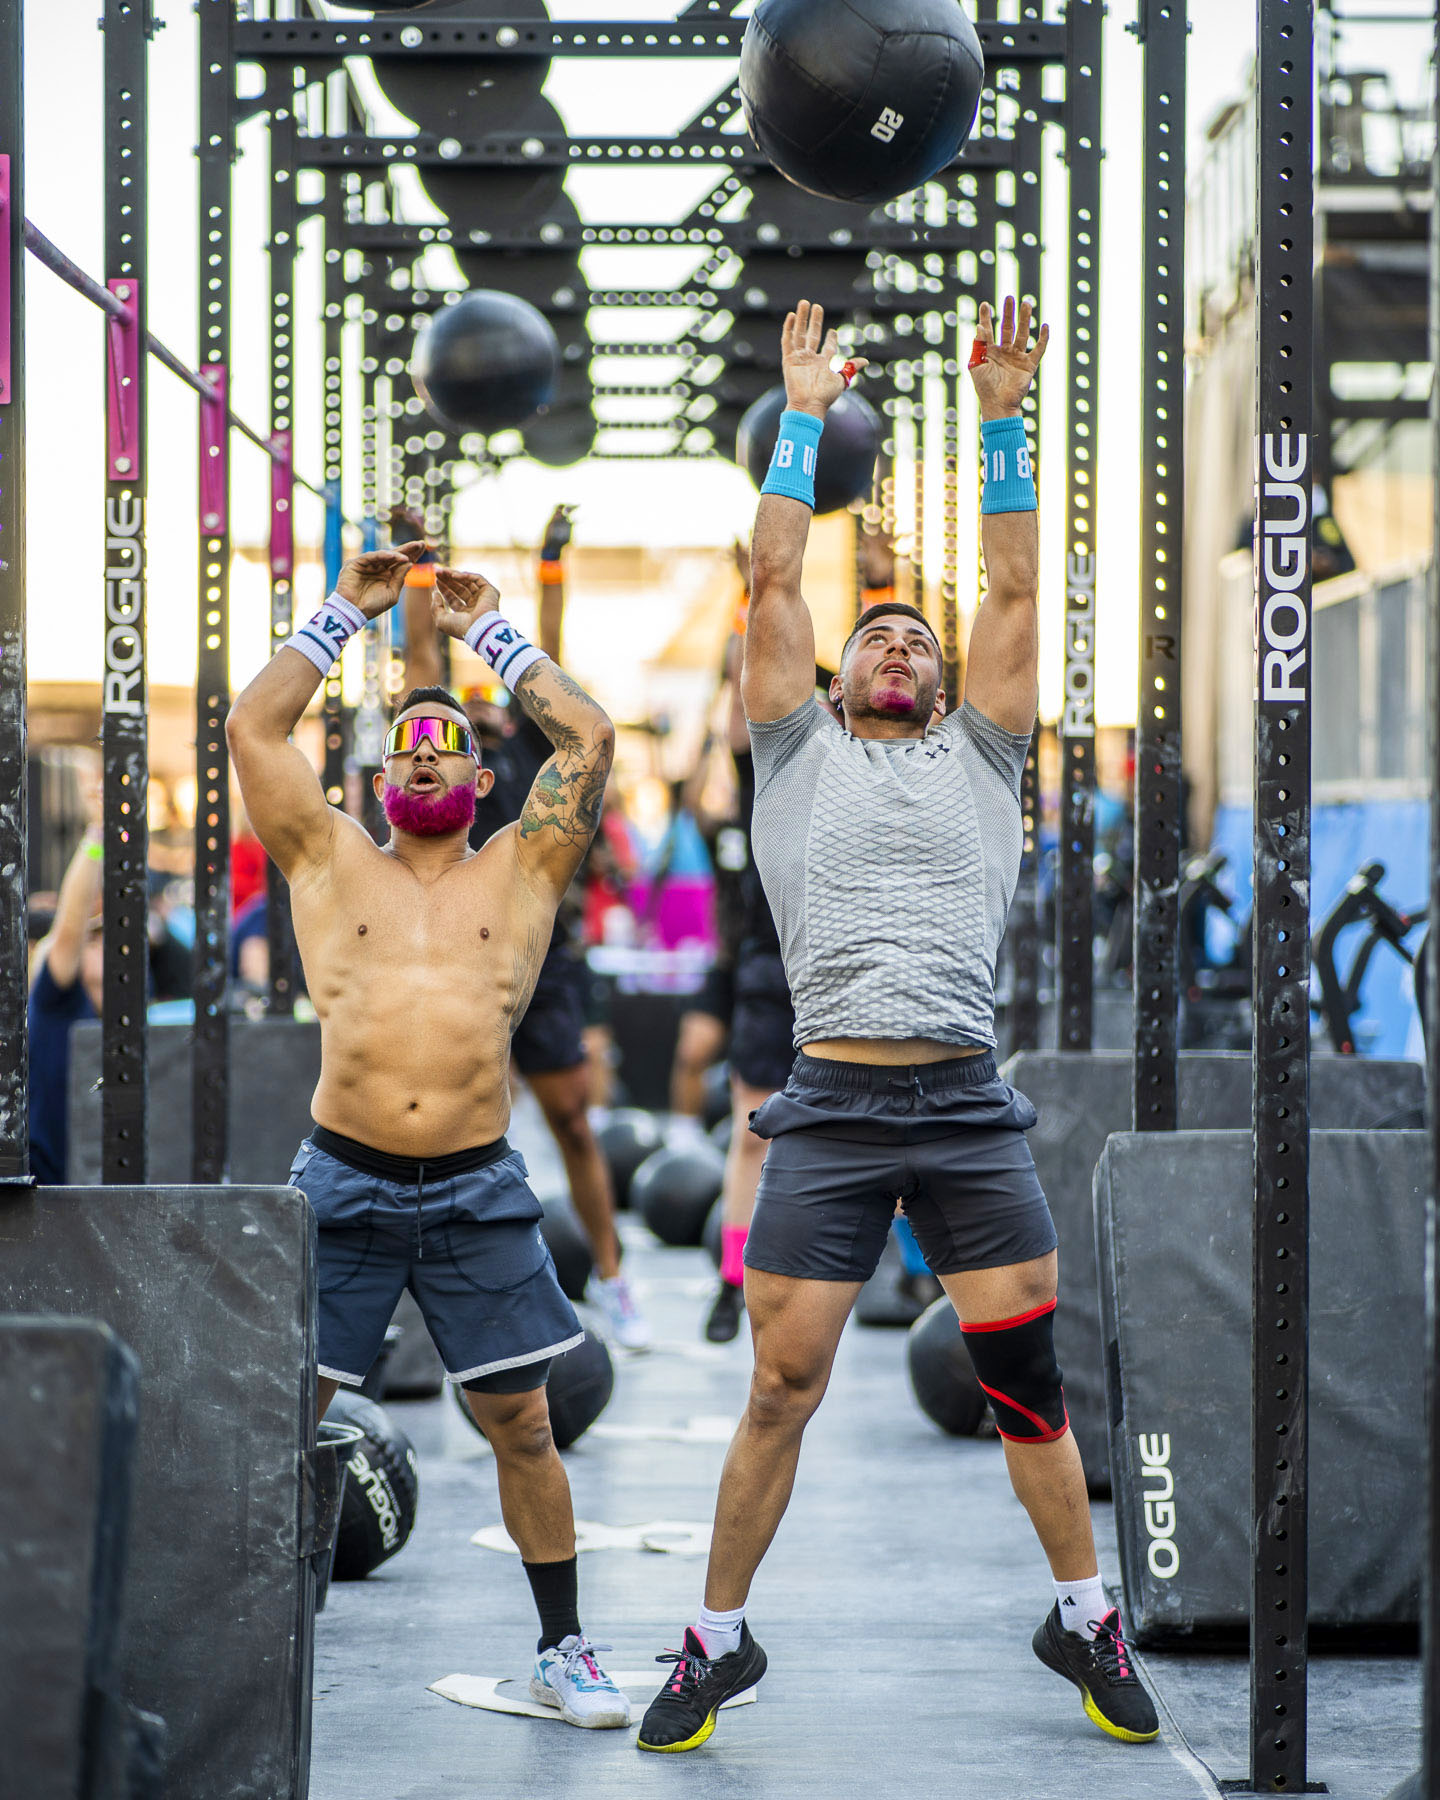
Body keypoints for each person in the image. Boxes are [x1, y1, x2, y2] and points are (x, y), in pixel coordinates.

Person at [637, 298, 1160, 1753]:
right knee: (782, 1386)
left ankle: (1086, 1615)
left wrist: (1003, 410)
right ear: (833, 674)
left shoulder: (984, 755)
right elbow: (774, 568)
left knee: (1027, 1391)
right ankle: (716, 1641)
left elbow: (1007, 589)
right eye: (870, 637)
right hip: (832, 1108)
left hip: (967, 1111)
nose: (890, 647)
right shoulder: (791, 747)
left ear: (936, 686)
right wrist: (800, 414)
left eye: (910, 643)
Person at [227, 541, 630, 1728]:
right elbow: (256, 732)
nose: (424, 751)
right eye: (404, 743)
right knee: (273, 1414)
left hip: (473, 1191)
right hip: (339, 1183)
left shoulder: (524, 868)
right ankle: (239, 1639)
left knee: (523, 1423)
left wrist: (493, 636)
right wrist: (341, 616)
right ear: (375, 777)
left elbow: (590, 740)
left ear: (484, 779)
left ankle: (563, 1651)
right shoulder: (326, 857)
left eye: (446, 740)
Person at [398, 503, 650, 1351]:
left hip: (537, 947)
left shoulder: (525, 744)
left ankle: (614, 1279)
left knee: (575, 1121)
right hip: (455, 948)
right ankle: (436, 1304)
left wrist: (550, 569)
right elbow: (420, 656)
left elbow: (555, 669)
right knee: (451, 1119)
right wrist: (420, 572)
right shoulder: (445, 744)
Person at [29, 816, 105, 1185]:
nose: (101, 950)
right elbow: (71, 927)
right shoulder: (58, 1002)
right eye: (95, 942)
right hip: (48, 1187)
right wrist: (95, 840)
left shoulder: (114, 1012)